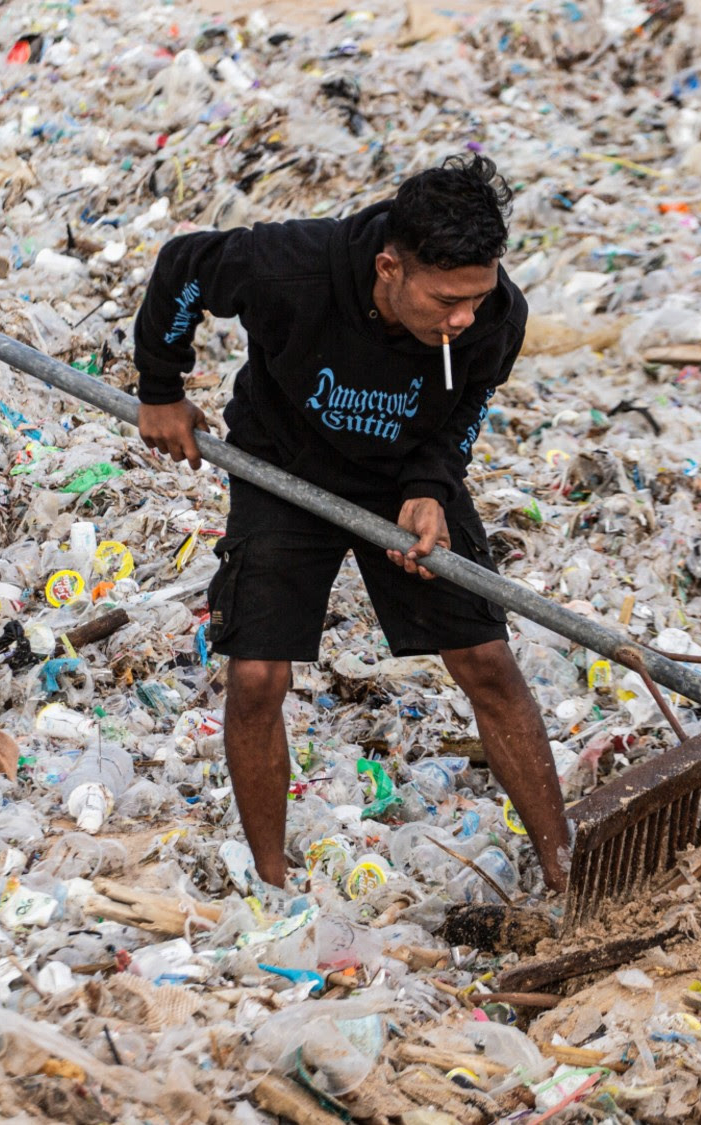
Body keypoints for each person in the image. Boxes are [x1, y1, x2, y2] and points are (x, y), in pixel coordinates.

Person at [131, 154, 569, 895]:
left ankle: (568, 871)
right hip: (284, 468)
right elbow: (185, 268)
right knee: (259, 673)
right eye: (446, 301)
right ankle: (273, 888)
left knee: (487, 660)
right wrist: (160, 386)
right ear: (390, 267)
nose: (464, 318)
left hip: (400, 479)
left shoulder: (494, 315)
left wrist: (433, 486)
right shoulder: (289, 268)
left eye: (477, 297)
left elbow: (467, 407)